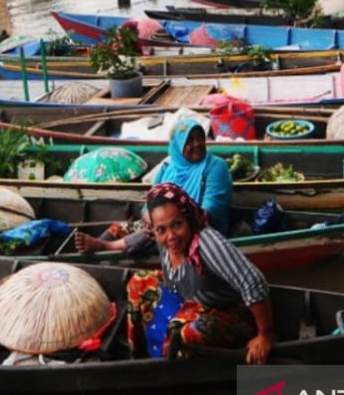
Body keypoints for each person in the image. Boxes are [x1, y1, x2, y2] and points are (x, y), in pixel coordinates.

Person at [126, 183, 273, 363]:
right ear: (154, 229)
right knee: (139, 280)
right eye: (161, 230)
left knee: (181, 332)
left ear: (188, 218)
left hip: (229, 312)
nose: (171, 236)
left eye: (177, 224)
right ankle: (140, 359)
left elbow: (254, 282)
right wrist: (103, 244)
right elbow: (134, 239)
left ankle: (174, 370)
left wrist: (264, 334)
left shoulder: (206, 243)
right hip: (187, 301)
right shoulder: (162, 238)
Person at [76, 112, 232, 254]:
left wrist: (164, 224)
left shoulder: (215, 166)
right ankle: (95, 253)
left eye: (200, 138)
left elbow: (209, 211)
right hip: (163, 222)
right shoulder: (168, 166)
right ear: (177, 145)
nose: (197, 143)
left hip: (196, 229)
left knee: (152, 234)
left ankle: (104, 247)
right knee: (117, 228)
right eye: (190, 140)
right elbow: (149, 202)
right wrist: (149, 218)